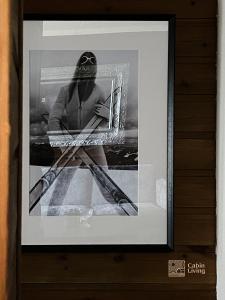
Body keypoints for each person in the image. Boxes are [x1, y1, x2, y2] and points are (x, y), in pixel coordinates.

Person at [47, 51, 110, 215]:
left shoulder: (99, 91)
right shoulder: (65, 91)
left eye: (90, 66)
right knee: (60, 188)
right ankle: (45, 223)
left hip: (94, 145)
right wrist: (61, 143)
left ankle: (129, 222)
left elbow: (105, 122)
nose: (87, 69)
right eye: (84, 65)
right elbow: (53, 119)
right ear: (78, 68)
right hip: (72, 147)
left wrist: (107, 114)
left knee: (108, 188)